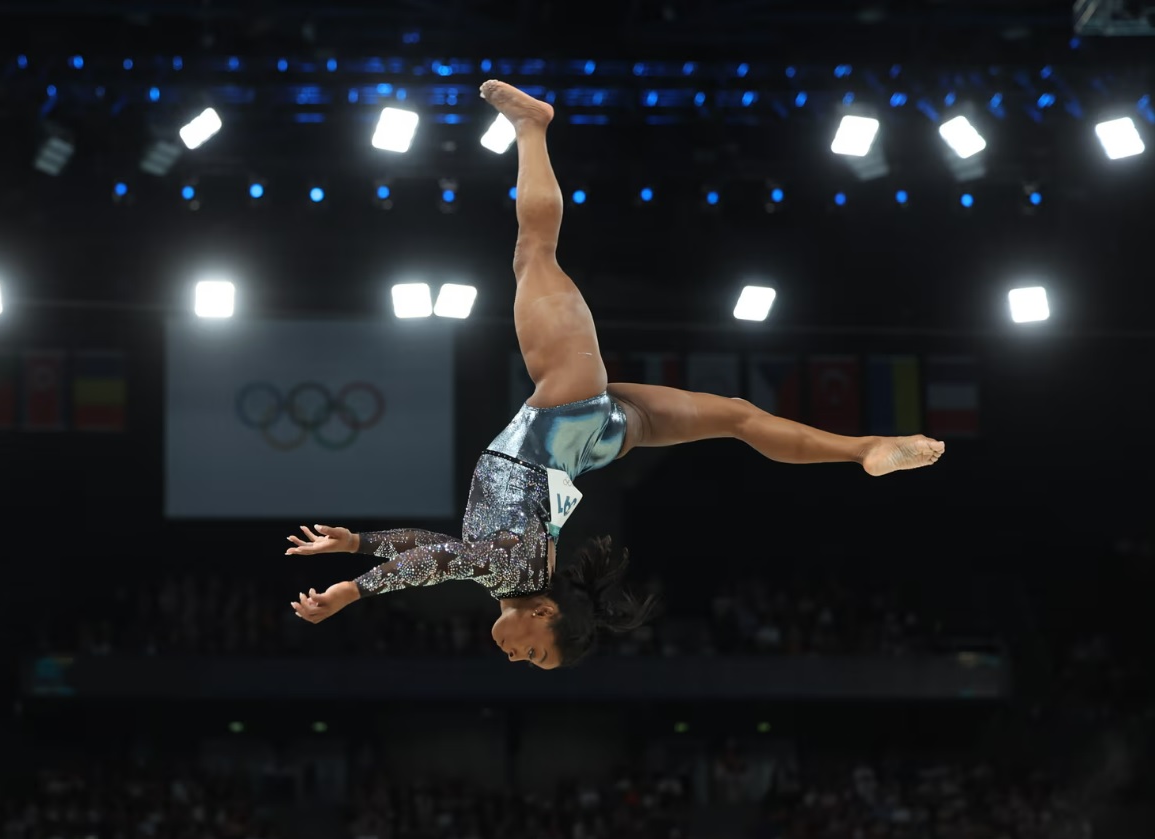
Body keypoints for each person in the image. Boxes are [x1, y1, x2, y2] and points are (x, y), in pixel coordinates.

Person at [285, 80, 945, 669]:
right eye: (534, 653)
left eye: (525, 663)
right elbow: (440, 562)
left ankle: (861, 449)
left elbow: (443, 549)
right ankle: (533, 126)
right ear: (546, 616)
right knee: (532, 253)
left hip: (593, 440)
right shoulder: (511, 571)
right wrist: (350, 591)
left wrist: (361, 542)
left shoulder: (506, 577)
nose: (515, 656)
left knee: (740, 418)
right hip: (563, 417)